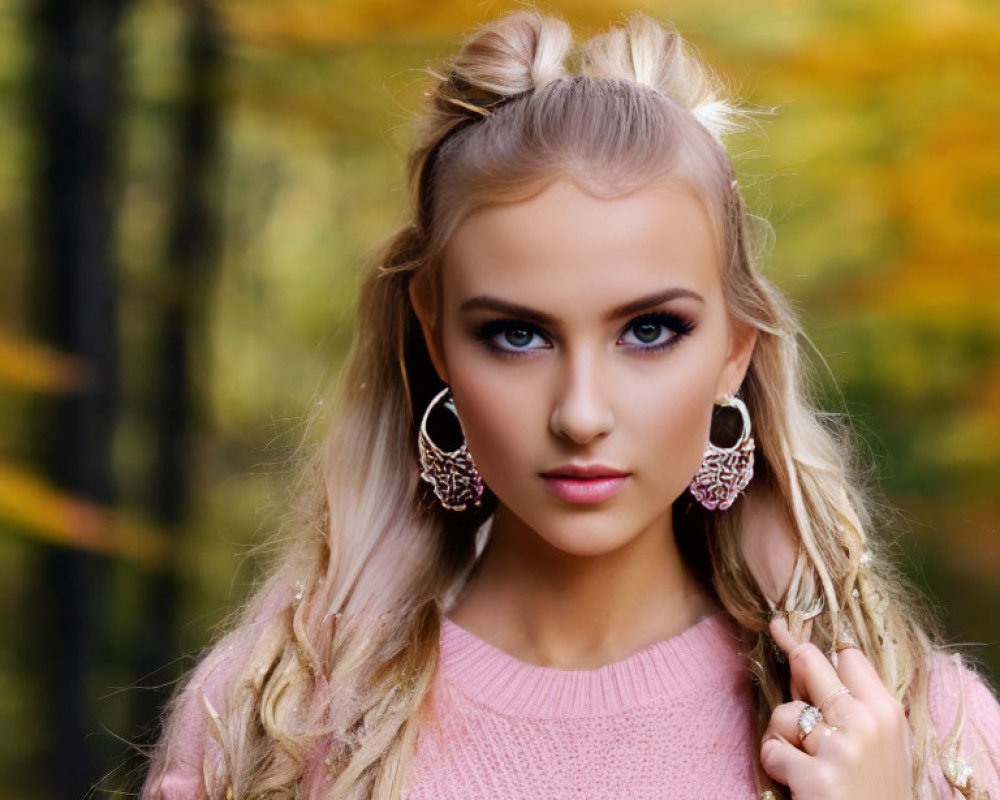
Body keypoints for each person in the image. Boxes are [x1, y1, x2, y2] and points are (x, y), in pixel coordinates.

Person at [139, 9, 1000, 800]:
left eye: (651, 330)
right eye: (518, 335)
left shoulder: (925, 731)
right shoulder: (275, 728)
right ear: (436, 345)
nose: (581, 413)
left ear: (736, 352)